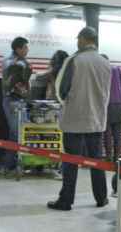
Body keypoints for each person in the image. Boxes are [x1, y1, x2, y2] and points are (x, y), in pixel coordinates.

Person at [47, 27, 111, 211]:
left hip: (74, 119)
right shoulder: (105, 62)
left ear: (83, 39)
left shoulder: (74, 60)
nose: (77, 42)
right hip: (97, 119)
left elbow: (61, 90)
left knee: (71, 162)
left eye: (78, 39)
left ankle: (66, 200)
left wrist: (67, 102)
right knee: (97, 161)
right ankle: (101, 198)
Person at [2, 37, 32, 174]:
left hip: (21, 100)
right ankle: (8, 165)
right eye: (25, 47)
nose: (27, 50)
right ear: (17, 49)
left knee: (21, 133)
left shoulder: (25, 62)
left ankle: (15, 164)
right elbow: (9, 72)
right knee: (16, 133)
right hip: (12, 100)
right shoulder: (9, 61)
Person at [105, 59, 121, 193]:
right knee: (117, 134)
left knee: (107, 133)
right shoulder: (116, 68)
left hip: (106, 104)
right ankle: (117, 158)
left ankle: (108, 159)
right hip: (118, 104)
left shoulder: (103, 69)